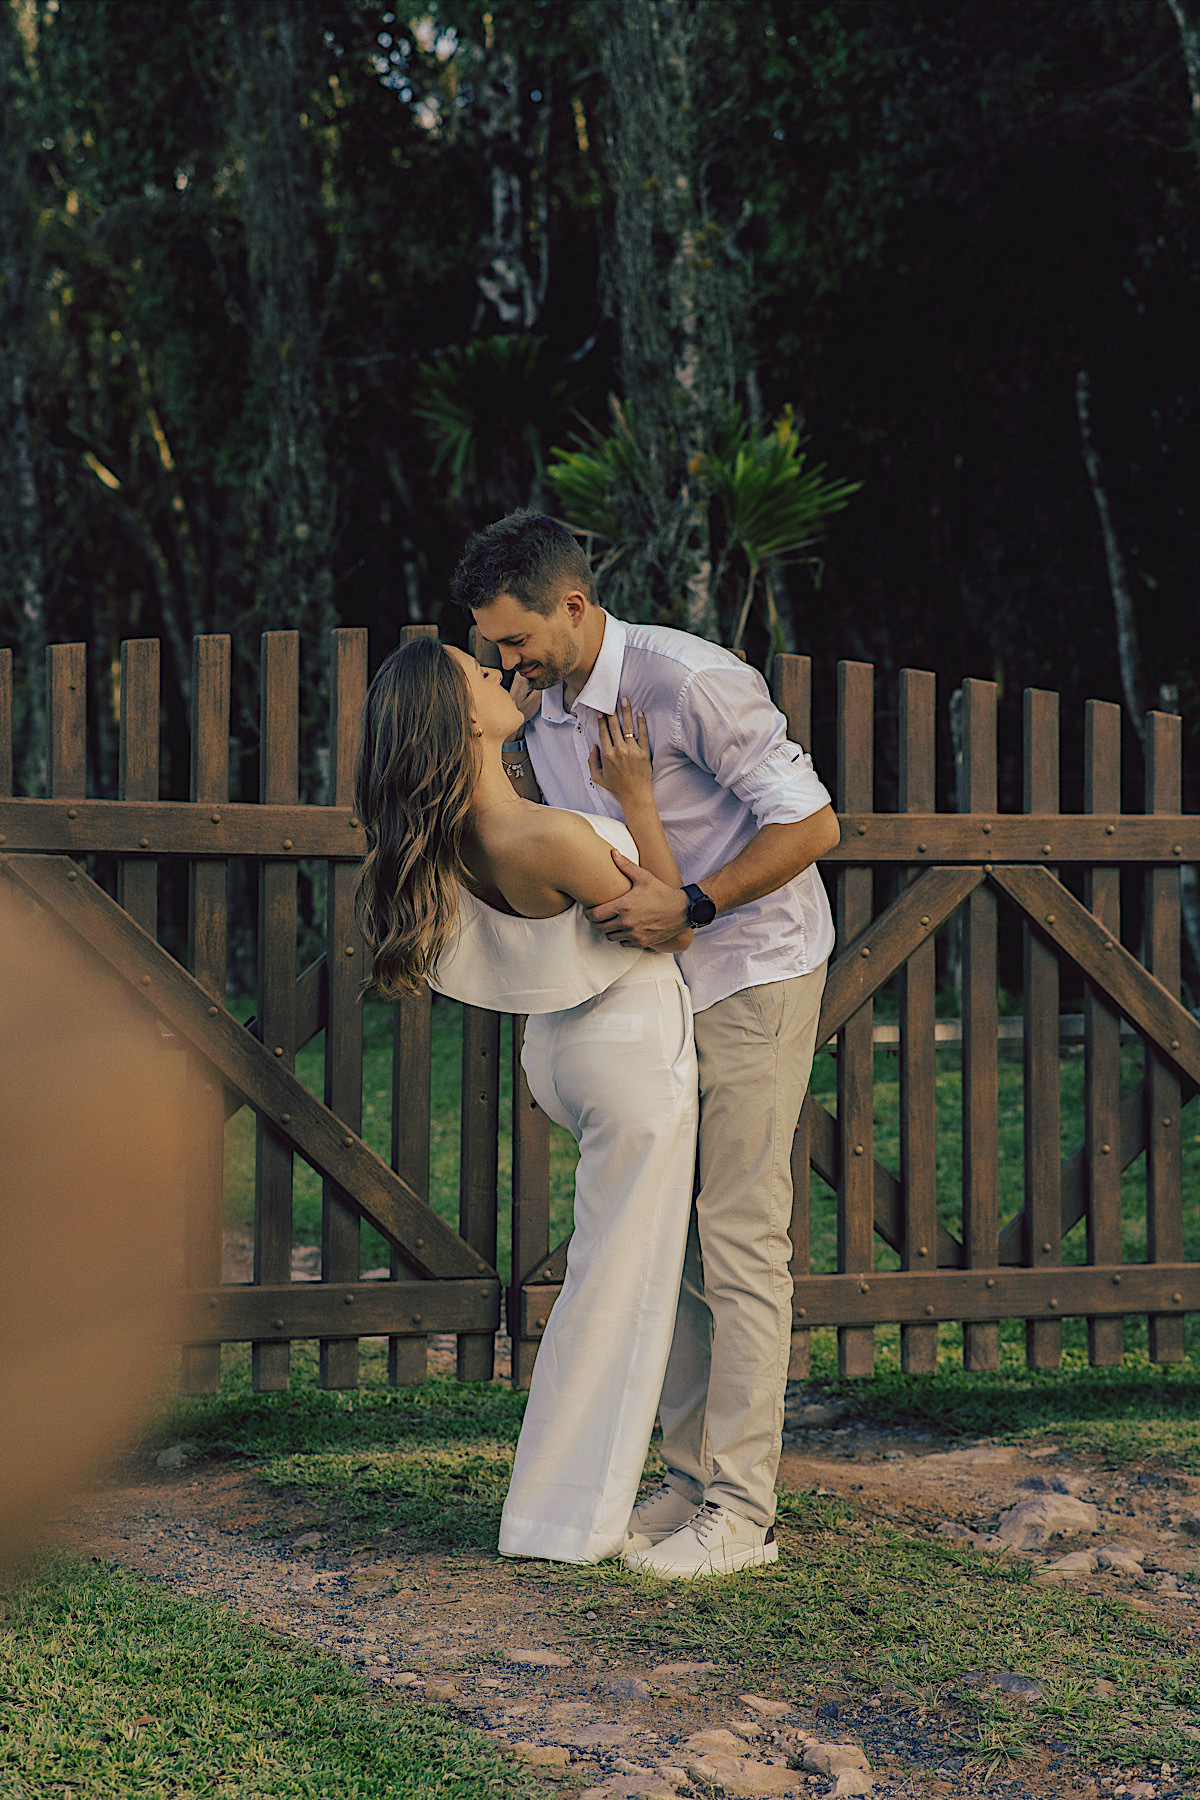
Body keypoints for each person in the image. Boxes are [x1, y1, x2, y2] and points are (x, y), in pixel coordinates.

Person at [451, 510, 840, 1580]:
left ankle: (743, 1514)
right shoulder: (540, 712)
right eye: (492, 648)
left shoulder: (690, 683)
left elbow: (812, 826)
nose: (507, 663)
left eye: (517, 639)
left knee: (739, 1236)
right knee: (676, 1238)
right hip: (654, 990)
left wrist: (698, 905)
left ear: (574, 606)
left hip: (751, 968)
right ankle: (686, 1480)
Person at [353, 635, 698, 1565]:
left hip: (562, 1049)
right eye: (479, 673)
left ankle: (560, 1511)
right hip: (627, 1050)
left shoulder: (463, 833)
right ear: (465, 717)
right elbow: (670, 921)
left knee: (605, 1277)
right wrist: (635, 799)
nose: (499, 671)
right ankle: (568, 1524)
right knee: (622, 1290)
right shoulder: (541, 835)